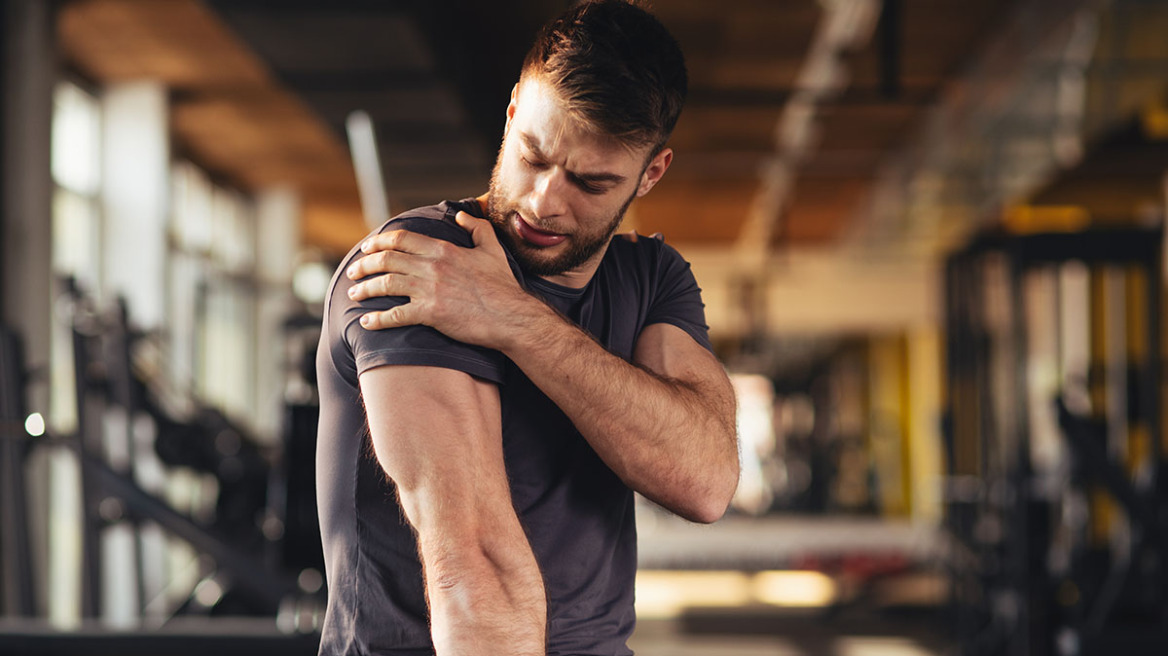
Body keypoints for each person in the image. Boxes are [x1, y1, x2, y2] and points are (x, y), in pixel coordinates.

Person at [315, 1, 739, 654]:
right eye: (534, 155)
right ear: (513, 113)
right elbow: (472, 567)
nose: (544, 199)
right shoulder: (424, 263)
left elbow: (705, 480)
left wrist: (514, 320)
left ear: (650, 174)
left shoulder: (650, 277)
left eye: (590, 183)